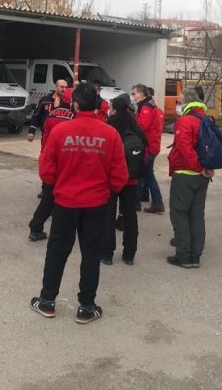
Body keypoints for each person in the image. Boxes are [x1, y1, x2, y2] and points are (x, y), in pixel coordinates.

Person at [30, 83, 128, 324]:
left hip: (65, 202)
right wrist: (107, 191)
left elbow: (46, 170)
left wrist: (58, 185)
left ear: (74, 104)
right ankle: (86, 306)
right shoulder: (110, 133)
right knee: (91, 253)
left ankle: (47, 301)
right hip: (96, 204)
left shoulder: (61, 131)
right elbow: (120, 175)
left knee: (57, 251)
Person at [166, 86, 214, 268]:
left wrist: (198, 167)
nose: (177, 104)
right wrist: (205, 168)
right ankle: (196, 255)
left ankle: (184, 255)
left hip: (186, 173)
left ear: (186, 101)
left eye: (179, 101)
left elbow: (185, 149)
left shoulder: (186, 121)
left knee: (179, 213)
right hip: (203, 176)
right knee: (196, 215)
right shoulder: (206, 118)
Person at [101, 93, 146, 266]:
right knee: (130, 216)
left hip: (112, 180)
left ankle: (107, 253)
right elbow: (145, 153)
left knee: (108, 216)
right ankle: (129, 254)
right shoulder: (136, 128)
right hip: (131, 180)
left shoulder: (109, 127)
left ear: (115, 109)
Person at [28, 88, 75, 242]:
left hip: (50, 155)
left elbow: (46, 133)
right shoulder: (72, 117)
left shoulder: (52, 114)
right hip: (66, 159)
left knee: (49, 195)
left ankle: (36, 227)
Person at [132, 84, 165, 214]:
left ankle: (153, 202)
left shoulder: (145, 107)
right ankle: (148, 201)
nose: (133, 96)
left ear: (141, 94)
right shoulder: (151, 105)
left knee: (144, 174)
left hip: (148, 146)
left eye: (134, 93)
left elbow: (142, 126)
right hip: (152, 145)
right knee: (146, 173)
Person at [27, 79, 68, 144]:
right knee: (45, 153)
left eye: (66, 87)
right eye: (62, 87)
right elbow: (36, 115)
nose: (64, 89)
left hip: (63, 136)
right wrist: (31, 131)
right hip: (47, 134)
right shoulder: (45, 99)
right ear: (56, 87)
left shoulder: (68, 101)